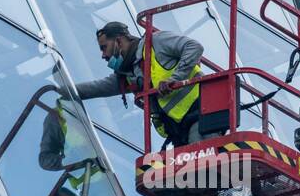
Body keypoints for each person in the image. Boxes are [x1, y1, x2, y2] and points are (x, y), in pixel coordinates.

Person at [75, 21, 213, 146]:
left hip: (202, 109)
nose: (103, 55)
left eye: (104, 47)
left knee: (200, 157)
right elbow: (97, 88)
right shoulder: (128, 74)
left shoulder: (156, 42)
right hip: (180, 127)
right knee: (185, 167)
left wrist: (174, 79)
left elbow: (194, 47)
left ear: (119, 41)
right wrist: (60, 90)